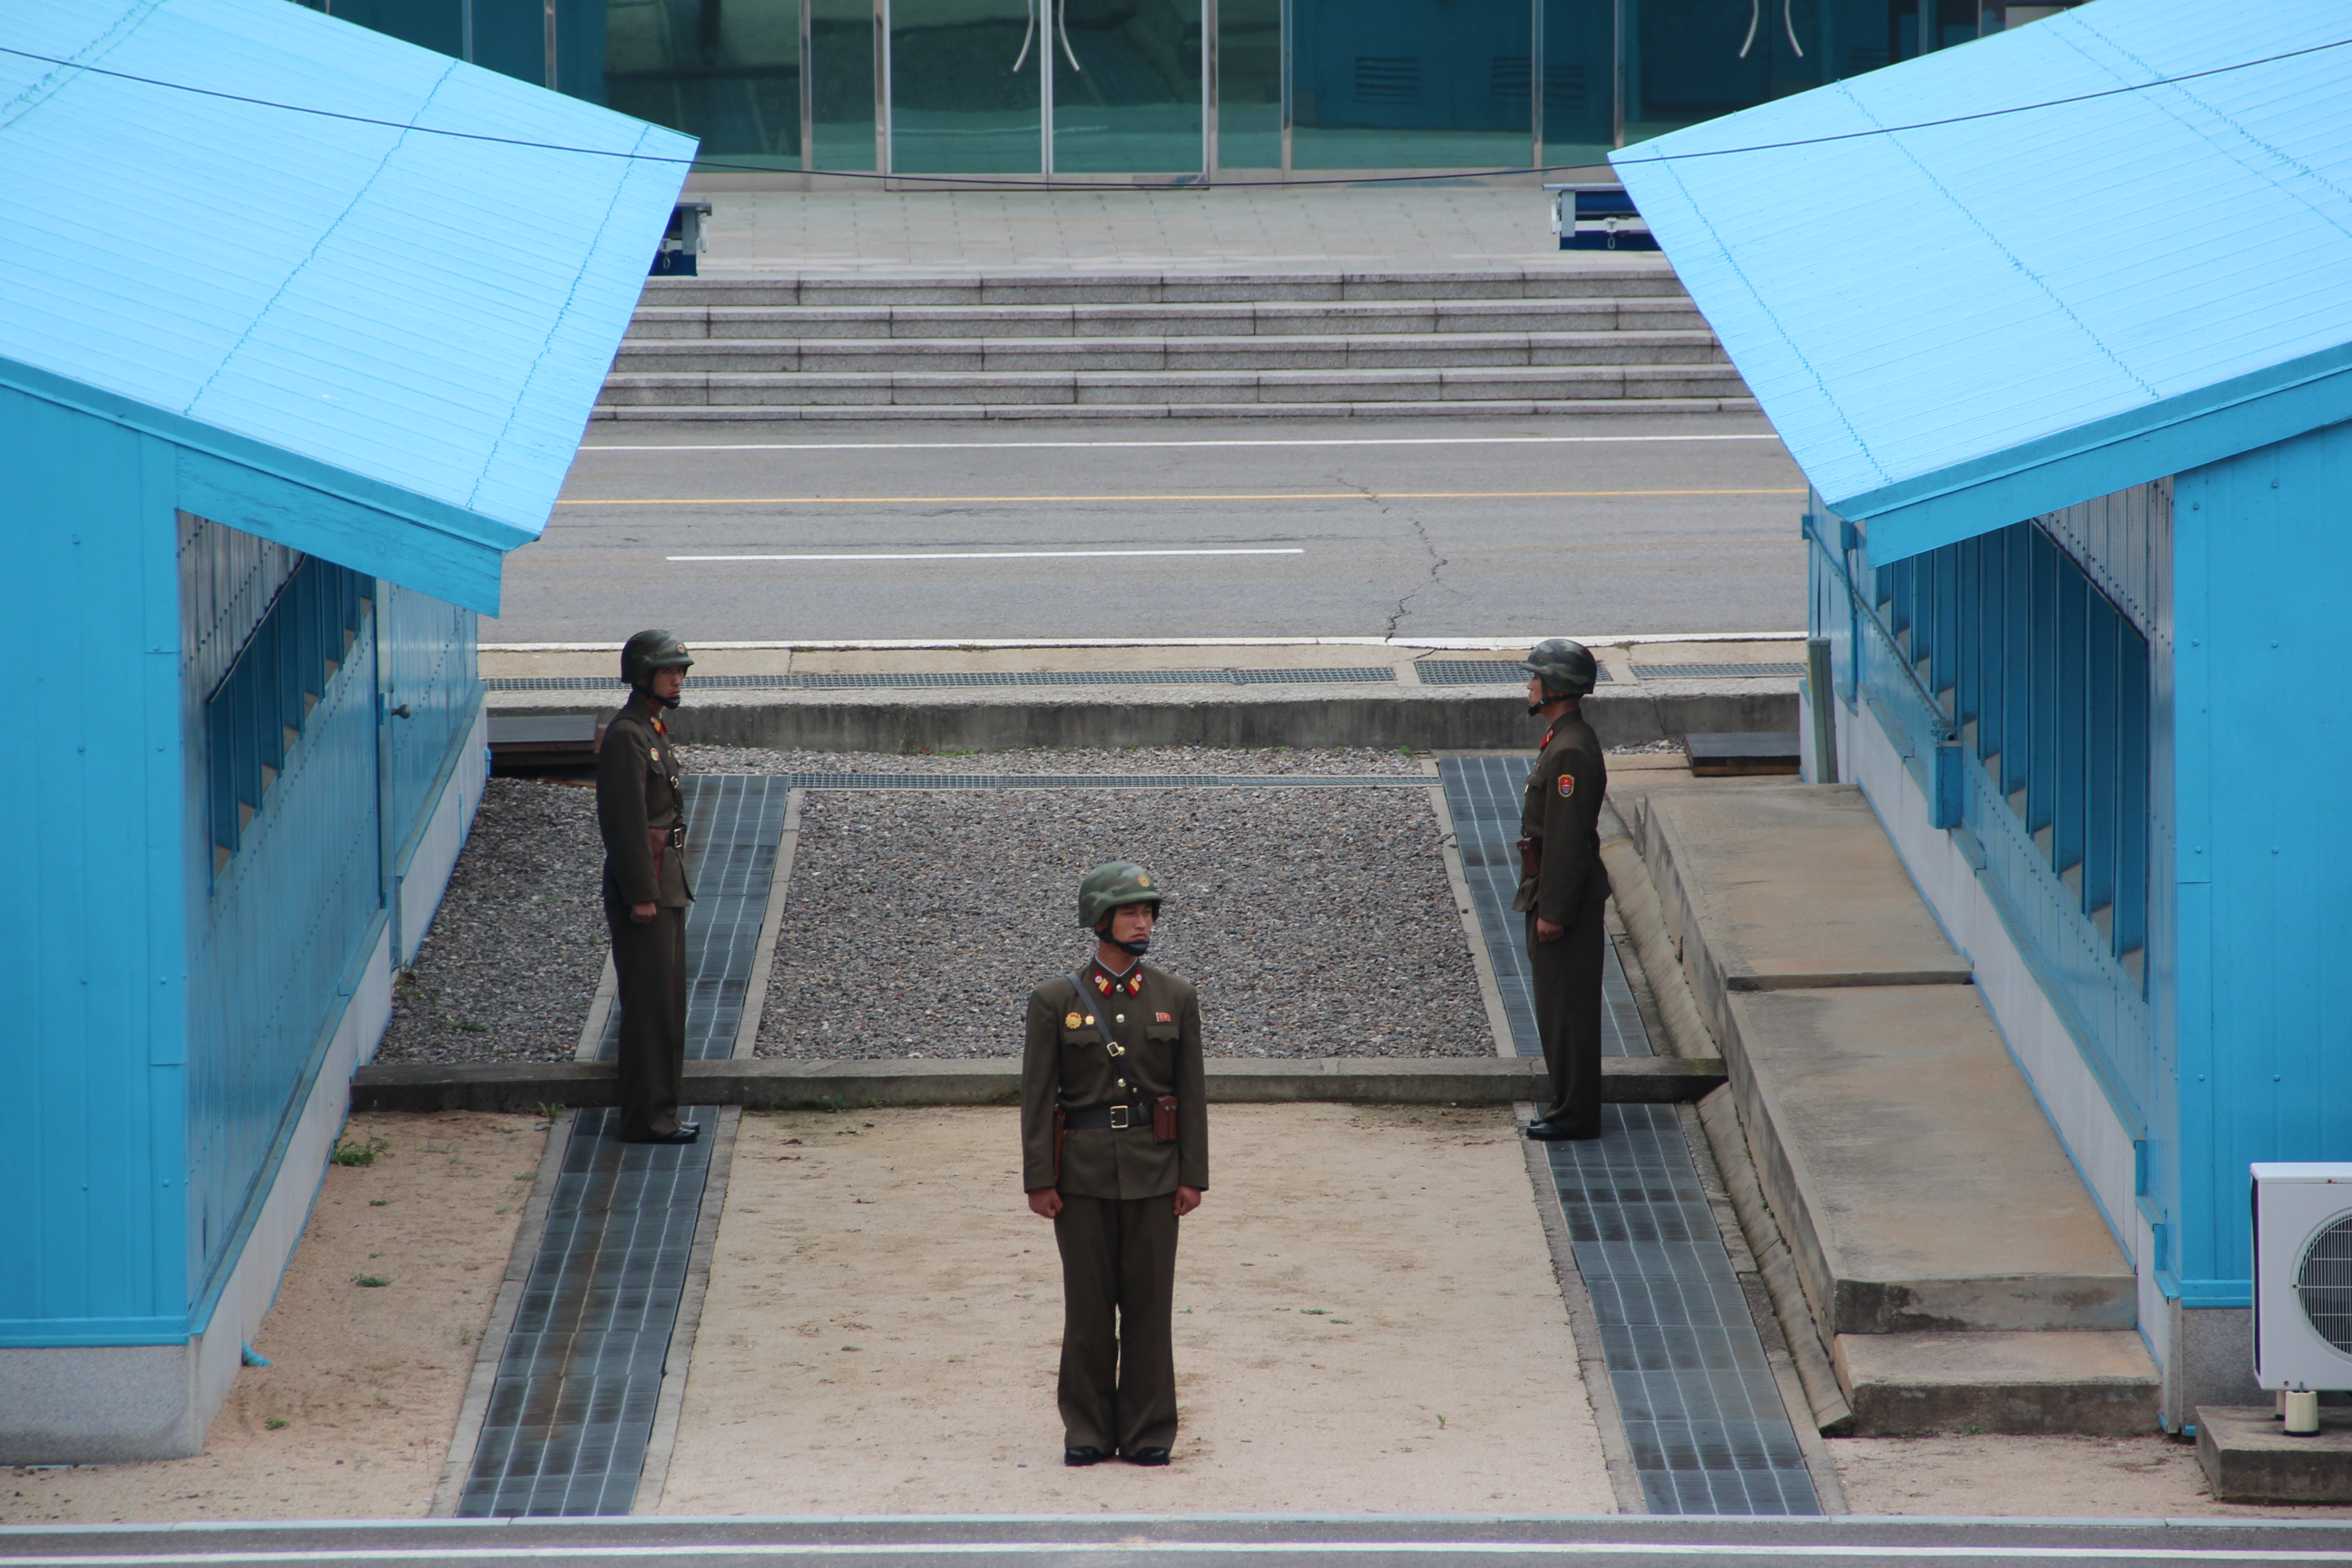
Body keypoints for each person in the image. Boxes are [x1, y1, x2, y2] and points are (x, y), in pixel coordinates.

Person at [1020, 862, 1209, 1468]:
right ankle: (1088, 1430)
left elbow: (1193, 1092)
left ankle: (1151, 1428)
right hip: (1081, 1175)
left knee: (1151, 1307)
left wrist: (1192, 1174)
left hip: (1155, 1172)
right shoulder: (1054, 1001)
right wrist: (1039, 1178)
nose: (1142, 920)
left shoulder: (1174, 996)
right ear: (1099, 919)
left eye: (1148, 911)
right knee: (1089, 1309)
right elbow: (1038, 1097)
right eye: (1130, 911)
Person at [595, 629, 699, 1146]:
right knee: (650, 1010)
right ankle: (647, 1118)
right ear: (642, 676)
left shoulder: (649, 728)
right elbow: (624, 823)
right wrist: (642, 893)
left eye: (680, 671)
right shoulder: (628, 735)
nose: (677, 679)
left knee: (666, 1005)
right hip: (649, 887)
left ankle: (663, 1111)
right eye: (667, 671)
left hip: (666, 880)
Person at [1514, 637, 1612, 1142]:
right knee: (1558, 1008)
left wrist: (1553, 910)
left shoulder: (1570, 750)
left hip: (1561, 898)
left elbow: (1569, 839)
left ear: (1555, 686)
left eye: (1535, 677)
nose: (1528, 684)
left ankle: (1574, 1114)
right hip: (1549, 888)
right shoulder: (1563, 739)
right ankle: (1566, 1105)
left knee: (1567, 1011)